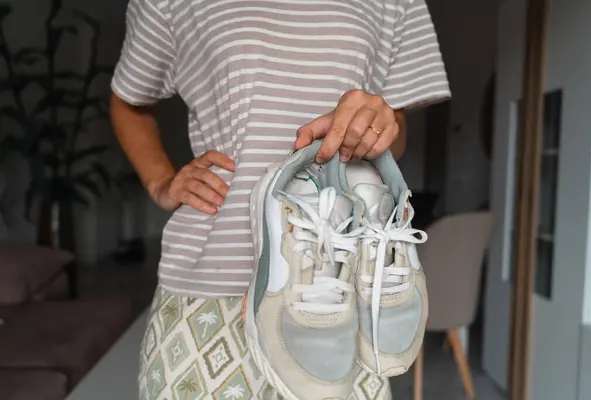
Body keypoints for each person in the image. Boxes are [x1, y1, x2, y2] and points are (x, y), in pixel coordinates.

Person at [110, 0, 450, 398]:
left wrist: (379, 121)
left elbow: (398, 130)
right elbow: (129, 101)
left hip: (335, 288)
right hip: (210, 283)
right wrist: (161, 183)